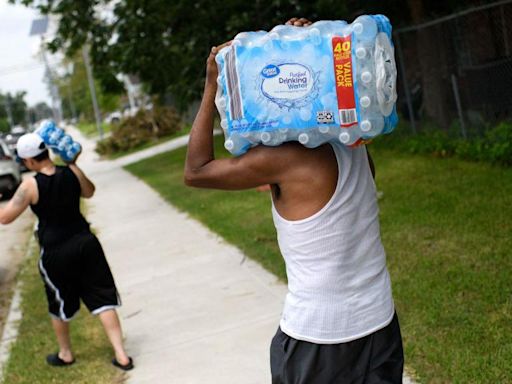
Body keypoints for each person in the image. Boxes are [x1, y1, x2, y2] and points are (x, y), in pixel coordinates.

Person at [184, 17, 404, 384]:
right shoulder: (350, 142)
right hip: (379, 323)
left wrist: (211, 85)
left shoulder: (281, 160)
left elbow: (196, 171)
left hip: (321, 338)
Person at [0, 133, 133, 371]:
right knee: (102, 297)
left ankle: (66, 353)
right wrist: (73, 163)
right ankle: (122, 355)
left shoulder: (30, 185)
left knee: (59, 301)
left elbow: (5, 217)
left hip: (55, 251)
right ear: (47, 152)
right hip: (86, 242)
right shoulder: (71, 171)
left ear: (29, 162)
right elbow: (90, 191)